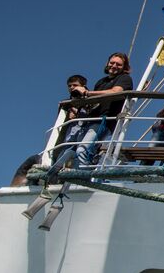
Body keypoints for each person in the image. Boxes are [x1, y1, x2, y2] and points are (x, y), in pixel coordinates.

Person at [27, 52, 134, 223]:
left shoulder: (124, 79)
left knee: (83, 148)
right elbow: (94, 101)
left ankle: (81, 183)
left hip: (104, 121)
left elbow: (115, 92)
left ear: (124, 67)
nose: (114, 66)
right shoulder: (101, 81)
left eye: (118, 64)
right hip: (91, 119)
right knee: (69, 150)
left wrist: (88, 93)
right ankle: (55, 181)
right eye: (112, 63)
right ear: (107, 63)